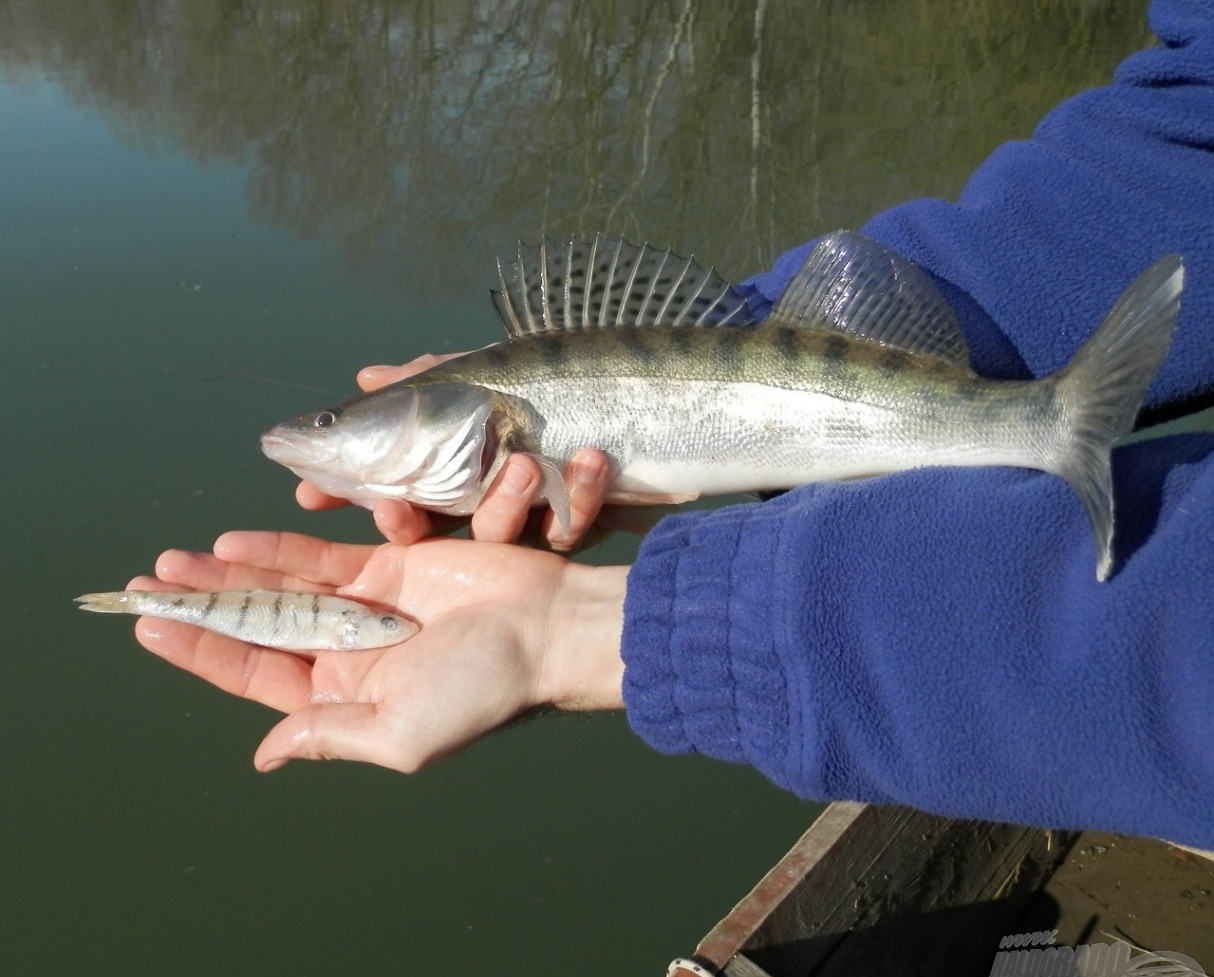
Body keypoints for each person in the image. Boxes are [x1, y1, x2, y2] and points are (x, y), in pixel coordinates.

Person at [131, 0, 1214, 848]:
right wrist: (742, 336)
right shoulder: (496, 411)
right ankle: (1039, 423)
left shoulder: (504, 406)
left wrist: (599, 630)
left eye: (333, 421)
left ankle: (1043, 425)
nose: (314, 434)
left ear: (453, 404)